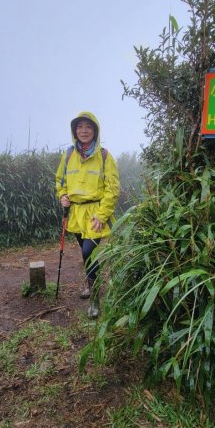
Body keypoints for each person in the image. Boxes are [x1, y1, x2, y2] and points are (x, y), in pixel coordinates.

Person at [56, 111, 120, 318]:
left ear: (95, 131)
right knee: (85, 254)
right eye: (80, 127)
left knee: (88, 252)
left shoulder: (104, 156)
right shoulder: (68, 155)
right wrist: (62, 196)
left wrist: (102, 215)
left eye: (88, 127)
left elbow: (113, 189)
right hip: (75, 213)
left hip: (95, 213)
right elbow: (61, 181)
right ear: (74, 131)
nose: (84, 131)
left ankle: (94, 299)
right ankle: (90, 283)